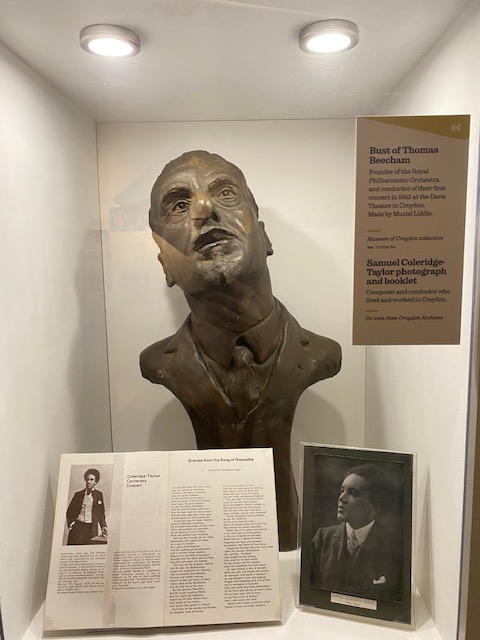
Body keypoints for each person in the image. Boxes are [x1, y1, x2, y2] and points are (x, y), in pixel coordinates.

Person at [140, 150, 342, 550]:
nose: (203, 209)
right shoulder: (158, 364)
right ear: (165, 263)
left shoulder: (320, 354)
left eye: (225, 193)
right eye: (179, 205)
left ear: (264, 237)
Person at [310, 463, 402, 601]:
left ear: (375, 508)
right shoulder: (322, 539)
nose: (342, 498)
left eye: (353, 493)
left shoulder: (394, 547)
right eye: (342, 490)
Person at [66, 468, 108, 545]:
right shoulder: (78, 495)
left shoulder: (99, 495)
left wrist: (103, 526)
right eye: (87, 479)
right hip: (78, 528)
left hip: (91, 529)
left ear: (96, 482)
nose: (88, 482)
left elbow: (101, 514)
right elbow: (69, 511)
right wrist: (71, 524)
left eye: (91, 480)